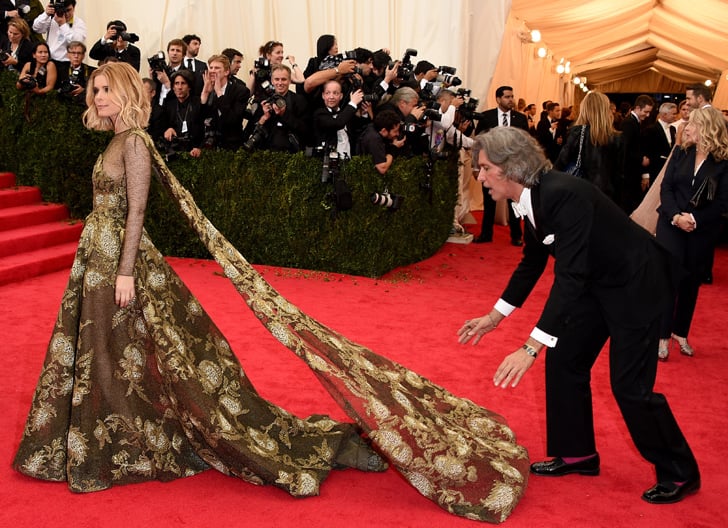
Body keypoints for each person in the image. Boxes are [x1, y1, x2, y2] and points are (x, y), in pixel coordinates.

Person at [12, 61, 530, 524]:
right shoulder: (112, 141)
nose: (97, 97)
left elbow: (138, 212)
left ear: (127, 92)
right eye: (95, 89)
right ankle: (111, 436)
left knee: (120, 350)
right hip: (96, 262)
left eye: (106, 89)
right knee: (112, 350)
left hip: (116, 265)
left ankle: (118, 440)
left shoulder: (134, 144)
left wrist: (125, 271)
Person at [458, 126, 700, 505]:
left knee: (629, 388)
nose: (480, 176)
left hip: (637, 286)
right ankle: (578, 454)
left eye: (486, 167)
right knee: (566, 361)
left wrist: (530, 346)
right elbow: (533, 261)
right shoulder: (533, 197)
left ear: (511, 167)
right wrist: (494, 317)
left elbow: (569, 277)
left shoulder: (562, 194)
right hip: (598, 283)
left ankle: (680, 472)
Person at [655, 106, 728, 360]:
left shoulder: (723, 161)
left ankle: (680, 332)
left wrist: (694, 219)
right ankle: (662, 336)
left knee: (691, 281)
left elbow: (722, 202)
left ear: (708, 128)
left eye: (693, 124)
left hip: (701, 229)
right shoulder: (680, 152)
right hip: (670, 223)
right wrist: (676, 216)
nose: (687, 128)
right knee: (669, 278)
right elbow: (666, 188)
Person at [473, 85, 529, 245]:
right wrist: (476, 167)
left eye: (512, 96)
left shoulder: (520, 118)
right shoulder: (486, 117)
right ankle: (486, 234)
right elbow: (478, 142)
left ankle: (516, 236)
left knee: (514, 201)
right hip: (490, 165)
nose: (511, 100)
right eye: (507, 97)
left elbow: (526, 143)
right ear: (498, 99)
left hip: (513, 166)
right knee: (489, 201)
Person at [554, 90, 624, 202]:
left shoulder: (578, 133)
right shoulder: (616, 137)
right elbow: (620, 173)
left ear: (584, 109)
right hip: (607, 197)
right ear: (605, 110)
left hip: (579, 193)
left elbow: (561, 163)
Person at [200, 53, 249, 150]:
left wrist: (219, 93)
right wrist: (205, 93)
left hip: (231, 146)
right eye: (211, 67)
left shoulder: (240, 91)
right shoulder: (207, 89)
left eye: (217, 68)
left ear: (226, 72)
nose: (212, 71)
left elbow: (232, 119)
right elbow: (199, 117)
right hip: (210, 145)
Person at [620, 94, 654, 213]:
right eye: (646, 111)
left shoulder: (636, 122)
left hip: (633, 172)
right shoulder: (629, 123)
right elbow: (626, 149)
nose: (648, 115)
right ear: (638, 108)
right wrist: (641, 159)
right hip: (628, 173)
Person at [31, 0, 85, 67]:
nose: (66, 14)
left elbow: (77, 43)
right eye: (63, 10)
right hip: (49, 61)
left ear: (74, 8)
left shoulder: (79, 23)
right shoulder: (53, 18)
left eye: (68, 10)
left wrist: (63, 25)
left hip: (66, 63)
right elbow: (36, 28)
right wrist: (46, 14)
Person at [56, 40, 94, 104]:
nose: (76, 56)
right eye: (73, 53)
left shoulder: (91, 71)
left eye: (79, 53)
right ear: (68, 55)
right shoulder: (60, 69)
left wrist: (84, 90)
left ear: (83, 56)